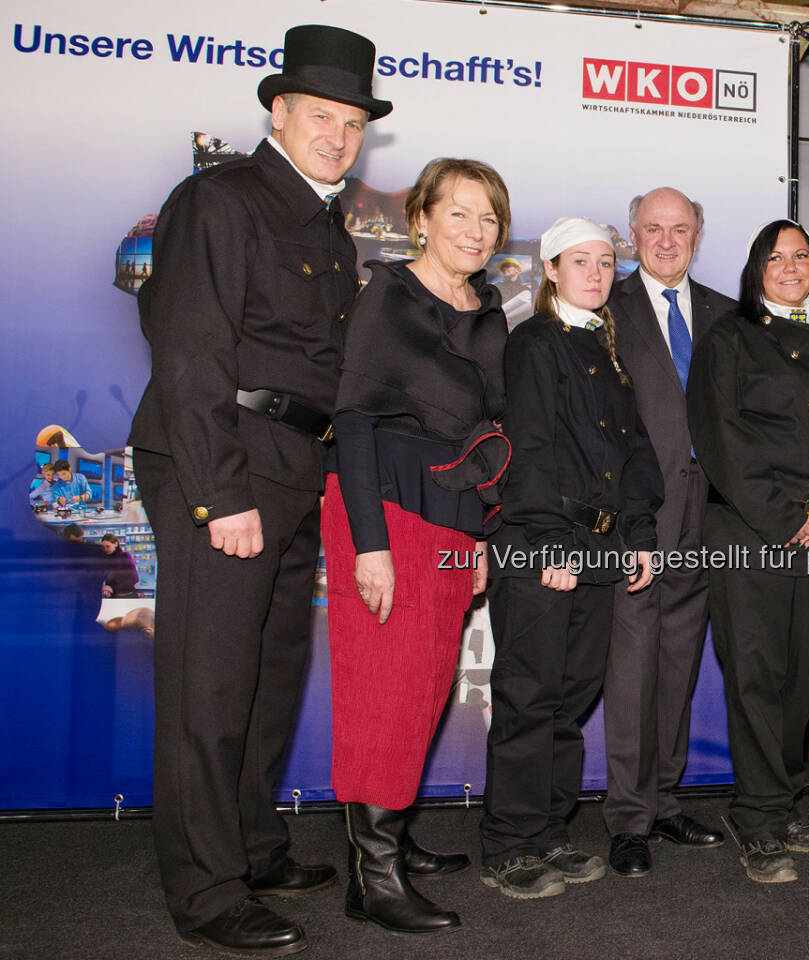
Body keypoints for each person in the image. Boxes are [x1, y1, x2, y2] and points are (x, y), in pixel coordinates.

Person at [127, 24, 390, 956]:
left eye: (354, 122)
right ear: (278, 112)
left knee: (270, 677)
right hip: (225, 466)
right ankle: (206, 891)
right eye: (322, 115)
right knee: (211, 682)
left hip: (292, 469)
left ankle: (250, 843)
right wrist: (218, 494)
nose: (339, 135)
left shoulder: (325, 221)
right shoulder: (220, 200)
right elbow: (192, 353)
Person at [322, 158, 513, 934]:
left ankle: (391, 835)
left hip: (453, 516)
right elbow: (356, 419)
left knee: (426, 684)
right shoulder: (389, 297)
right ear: (422, 220)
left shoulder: (489, 309)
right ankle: (375, 876)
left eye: (489, 218)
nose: (475, 231)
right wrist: (371, 545)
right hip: (385, 510)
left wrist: (479, 538)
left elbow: (488, 433)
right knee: (383, 687)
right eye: (459, 213)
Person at [688, 219, 809, 884]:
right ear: (755, 268)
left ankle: (782, 800)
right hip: (752, 537)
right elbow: (722, 445)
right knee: (757, 679)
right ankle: (760, 819)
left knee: (802, 678)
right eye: (776, 257)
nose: (790, 266)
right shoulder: (729, 341)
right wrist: (789, 521)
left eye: (801, 255)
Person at [480, 217, 663, 900]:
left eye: (605, 261)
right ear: (549, 270)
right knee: (530, 699)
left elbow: (635, 456)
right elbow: (530, 451)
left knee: (568, 700)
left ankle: (550, 832)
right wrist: (550, 544)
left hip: (602, 552)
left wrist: (639, 537)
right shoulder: (533, 343)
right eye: (578, 260)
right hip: (544, 548)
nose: (595, 271)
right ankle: (510, 844)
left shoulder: (604, 350)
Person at [602, 187, 735, 878]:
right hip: (637, 518)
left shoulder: (726, 314)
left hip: (706, 517)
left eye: (679, 228)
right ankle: (627, 819)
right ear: (631, 235)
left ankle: (664, 799)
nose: (665, 240)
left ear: (697, 234)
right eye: (652, 228)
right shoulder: (606, 308)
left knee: (680, 663)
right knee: (632, 670)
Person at [100, 533, 141, 598]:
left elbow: (135, 579)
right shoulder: (106, 560)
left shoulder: (125, 556)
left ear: (115, 544)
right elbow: (109, 581)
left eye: (108, 546)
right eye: (103, 547)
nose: (105, 549)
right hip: (114, 597)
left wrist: (112, 588)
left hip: (128, 596)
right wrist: (107, 590)